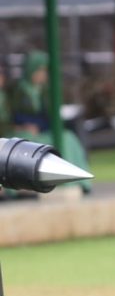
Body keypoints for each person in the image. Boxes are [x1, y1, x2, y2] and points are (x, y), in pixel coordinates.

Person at [9, 51, 92, 193]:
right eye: (40, 70)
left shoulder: (46, 92)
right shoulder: (16, 91)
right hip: (22, 132)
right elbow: (11, 115)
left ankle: (78, 182)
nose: (43, 74)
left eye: (44, 71)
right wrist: (22, 126)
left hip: (43, 130)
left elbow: (50, 116)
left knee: (68, 138)